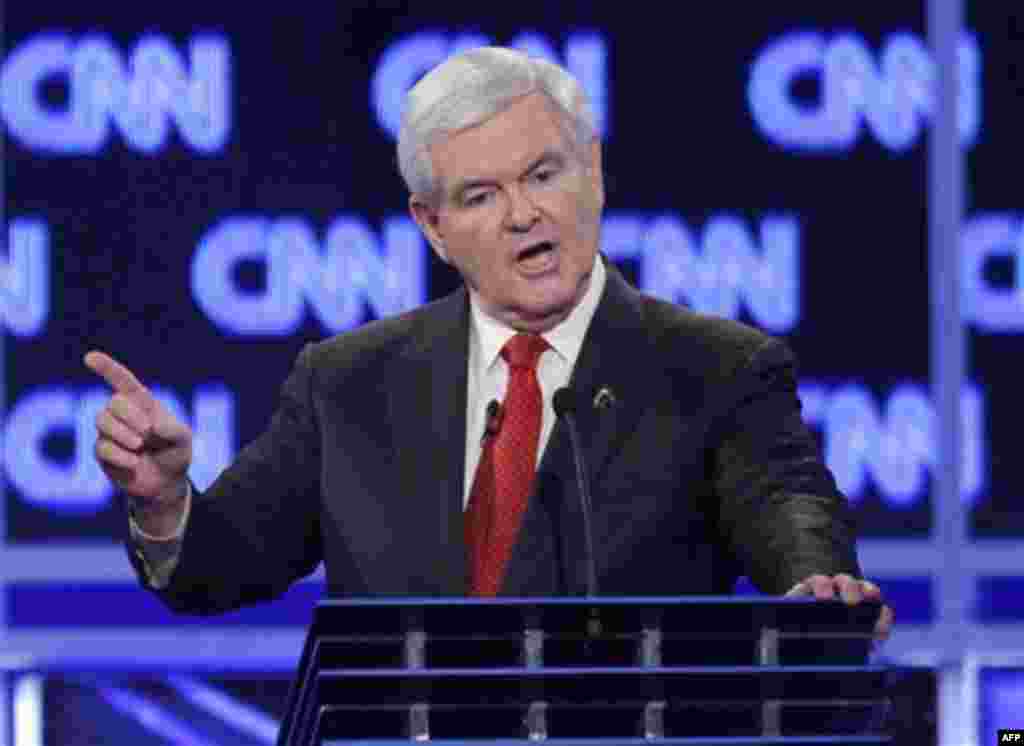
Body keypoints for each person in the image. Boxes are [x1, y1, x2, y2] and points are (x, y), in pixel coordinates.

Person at [85, 46, 892, 640]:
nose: (522, 215)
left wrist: (813, 580)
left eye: (544, 175)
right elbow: (221, 567)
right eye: (480, 195)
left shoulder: (717, 368)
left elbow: (786, 503)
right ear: (432, 227)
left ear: (595, 172)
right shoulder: (348, 382)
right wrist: (163, 502)